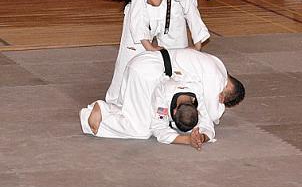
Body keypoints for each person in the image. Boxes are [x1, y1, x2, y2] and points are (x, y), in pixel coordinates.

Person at [80, 48, 245, 149]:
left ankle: (107, 110)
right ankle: (99, 111)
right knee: (140, 130)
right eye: (220, 97)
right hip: (148, 73)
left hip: (147, 67)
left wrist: (198, 136)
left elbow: (207, 120)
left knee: (135, 114)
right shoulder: (214, 77)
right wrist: (219, 106)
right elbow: (213, 115)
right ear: (223, 96)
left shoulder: (216, 66)